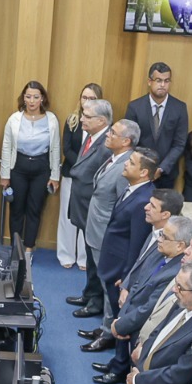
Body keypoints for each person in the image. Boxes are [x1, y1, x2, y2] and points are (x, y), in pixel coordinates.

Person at [95, 209, 192, 381]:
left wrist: (122, 324)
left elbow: (150, 307)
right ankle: (118, 365)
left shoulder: (177, 273)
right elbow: (139, 279)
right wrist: (123, 312)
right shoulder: (160, 251)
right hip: (129, 311)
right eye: (161, 234)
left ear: (180, 246)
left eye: (165, 237)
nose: (159, 239)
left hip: (141, 324)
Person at [85, 150, 161, 351]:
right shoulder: (132, 189)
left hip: (120, 264)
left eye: (132, 162)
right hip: (112, 257)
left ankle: (111, 338)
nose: (125, 164)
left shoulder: (143, 200)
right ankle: (105, 329)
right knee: (108, 298)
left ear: (144, 172)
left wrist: (127, 275)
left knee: (116, 304)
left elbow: (137, 243)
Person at [83, 119, 142, 328]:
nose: (108, 134)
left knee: (109, 283)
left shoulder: (126, 167)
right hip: (96, 227)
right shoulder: (115, 158)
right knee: (101, 279)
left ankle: (108, 330)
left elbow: (121, 207)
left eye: (113, 132)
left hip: (106, 234)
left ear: (126, 141)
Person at [0, 80, 61, 257]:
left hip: (42, 168)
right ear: (23, 98)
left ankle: (28, 249)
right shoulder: (14, 119)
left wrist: (55, 176)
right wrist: (4, 175)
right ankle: (15, 249)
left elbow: (55, 148)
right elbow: (6, 146)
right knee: (17, 210)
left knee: (34, 210)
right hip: (18, 167)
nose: (32, 101)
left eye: (36, 97)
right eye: (28, 96)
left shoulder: (51, 119)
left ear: (42, 99)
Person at [65, 99, 114, 309]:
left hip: (93, 207)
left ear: (101, 121)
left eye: (87, 116)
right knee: (90, 252)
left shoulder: (107, 144)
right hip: (84, 204)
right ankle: (89, 293)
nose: (82, 118)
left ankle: (96, 301)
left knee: (96, 258)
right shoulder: (93, 136)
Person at [57, 83, 104, 268]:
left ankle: (84, 258)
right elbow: (66, 148)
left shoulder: (103, 124)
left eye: (92, 98)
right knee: (66, 216)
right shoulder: (72, 120)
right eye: (84, 97)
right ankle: (66, 255)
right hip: (71, 174)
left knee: (87, 217)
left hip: (92, 179)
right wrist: (81, 165)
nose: (87, 101)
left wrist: (88, 167)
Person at [125, 62, 190, 189]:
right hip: (139, 172)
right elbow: (129, 141)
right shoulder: (135, 107)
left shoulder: (179, 108)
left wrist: (161, 168)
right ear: (149, 81)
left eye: (166, 81)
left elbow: (179, 143)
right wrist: (144, 166)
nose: (162, 85)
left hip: (166, 174)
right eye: (158, 80)